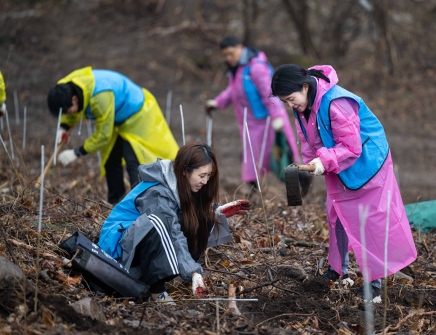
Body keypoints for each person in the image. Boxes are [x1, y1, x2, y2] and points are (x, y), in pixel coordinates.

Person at [271, 64, 417, 302]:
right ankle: (338, 270)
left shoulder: (337, 102)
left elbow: (352, 146)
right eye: (285, 102)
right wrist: (312, 164)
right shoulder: (303, 106)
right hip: (337, 164)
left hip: (367, 165)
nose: (290, 105)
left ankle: (374, 284)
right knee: (336, 214)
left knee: (367, 222)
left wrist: (323, 161)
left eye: (290, 99)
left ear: (305, 87)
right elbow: (307, 139)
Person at [98, 142, 251, 302]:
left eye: (208, 176)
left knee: (198, 216)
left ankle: (172, 277)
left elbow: (181, 216)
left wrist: (215, 213)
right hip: (116, 255)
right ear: (185, 170)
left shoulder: (179, 185)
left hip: (135, 246)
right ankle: (157, 292)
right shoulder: (158, 192)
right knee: (158, 222)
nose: (205, 182)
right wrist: (192, 271)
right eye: (201, 176)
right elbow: (171, 231)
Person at [47, 67, 179, 204]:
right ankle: (116, 202)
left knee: (134, 159)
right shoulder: (65, 87)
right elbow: (71, 110)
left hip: (137, 114)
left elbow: (104, 135)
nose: (69, 115)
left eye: (68, 112)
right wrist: (63, 127)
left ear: (74, 99)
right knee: (110, 159)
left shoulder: (100, 97)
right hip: (116, 117)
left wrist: (78, 152)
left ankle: (142, 203)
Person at [205, 36, 310, 193]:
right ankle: (256, 202)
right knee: (251, 164)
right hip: (251, 127)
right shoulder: (237, 70)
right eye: (225, 55)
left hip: (268, 124)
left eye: (231, 53)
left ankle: (302, 189)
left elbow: (270, 93)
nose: (228, 58)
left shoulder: (256, 68)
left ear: (240, 48)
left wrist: (278, 118)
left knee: (283, 160)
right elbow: (233, 91)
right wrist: (218, 102)